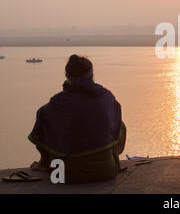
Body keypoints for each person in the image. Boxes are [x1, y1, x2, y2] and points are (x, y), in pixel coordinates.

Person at [28, 54, 126, 183]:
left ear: (67, 76)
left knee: (44, 117)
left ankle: (44, 163)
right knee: (118, 121)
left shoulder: (58, 102)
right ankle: (112, 159)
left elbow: (42, 122)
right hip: (106, 171)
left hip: (64, 174)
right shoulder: (106, 97)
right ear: (92, 74)